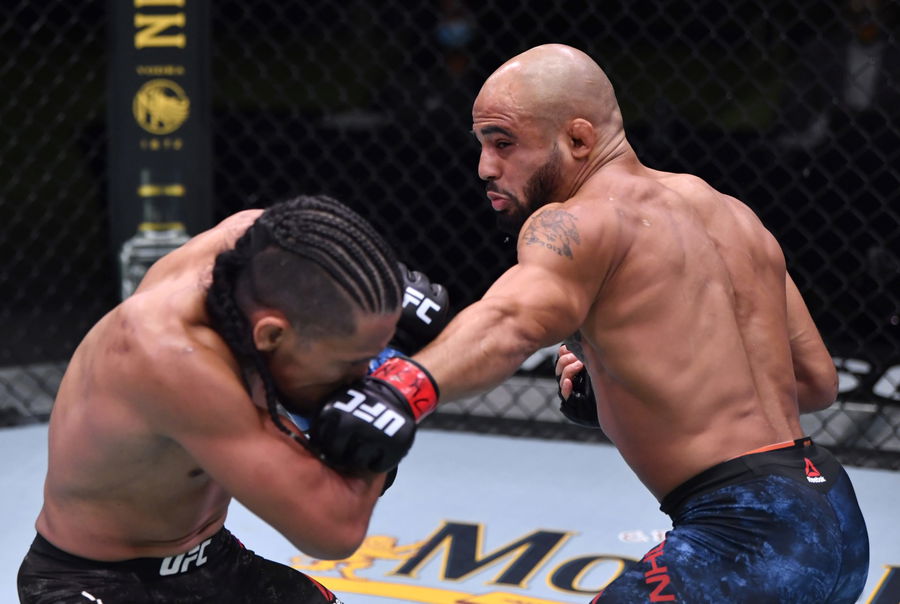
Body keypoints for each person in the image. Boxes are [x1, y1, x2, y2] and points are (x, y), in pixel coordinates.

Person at [312, 45, 870, 603]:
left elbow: (510, 322)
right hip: (833, 513)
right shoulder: (730, 213)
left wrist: (395, 391)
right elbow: (816, 382)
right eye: (481, 143)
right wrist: (618, 387)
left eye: (503, 143)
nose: (485, 167)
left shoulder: (577, 222)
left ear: (578, 139)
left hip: (747, 535)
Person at [17, 194, 448, 603]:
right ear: (272, 334)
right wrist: (394, 394)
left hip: (211, 559)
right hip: (91, 581)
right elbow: (333, 530)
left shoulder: (260, 251)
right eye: (351, 363)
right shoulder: (173, 358)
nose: (363, 374)